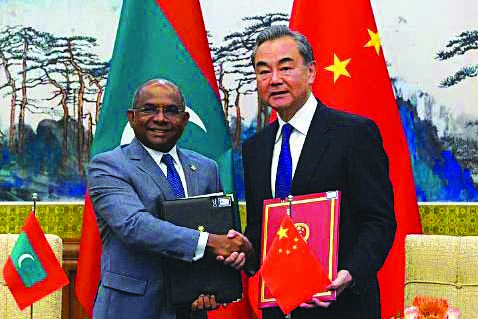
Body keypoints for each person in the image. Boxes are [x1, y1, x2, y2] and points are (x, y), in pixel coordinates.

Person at [241, 26, 397, 318]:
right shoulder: (255, 148)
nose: (274, 80)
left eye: (285, 68)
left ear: (311, 72)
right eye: (263, 71)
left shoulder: (354, 134)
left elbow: (379, 221)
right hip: (279, 308)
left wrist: (349, 274)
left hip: (343, 305)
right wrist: (242, 250)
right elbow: (260, 226)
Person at [87, 79, 252, 319]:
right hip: (131, 310)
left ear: (185, 120)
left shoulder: (206, 168)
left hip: (190, 310)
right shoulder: (108, 166)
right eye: (150, 109)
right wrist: (210, 242)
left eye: (171, 111)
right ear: (131, 117)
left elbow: (216, 230)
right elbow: (134, 226)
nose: (161, 118)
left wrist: (211, 287)